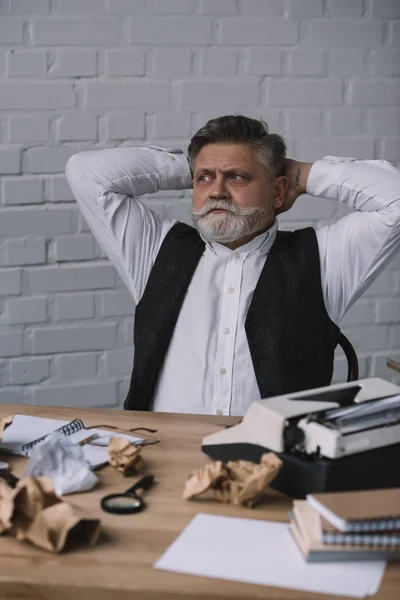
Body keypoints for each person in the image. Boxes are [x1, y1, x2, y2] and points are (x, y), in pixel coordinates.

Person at [66, 115, 400, 416]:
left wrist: (300, 173)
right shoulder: (155, 250)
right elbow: (85, 172)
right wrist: (199, 166)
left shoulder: (324, 259)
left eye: (237, 177)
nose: (217, 192)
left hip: (280, 465)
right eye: (205, 179)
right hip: (166, 456)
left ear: (278, 190)